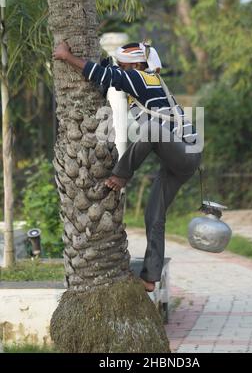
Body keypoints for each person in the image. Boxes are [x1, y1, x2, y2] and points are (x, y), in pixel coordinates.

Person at [53, 41, 201, 292]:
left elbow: (105, 75)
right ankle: (150, 277)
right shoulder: (145, 80)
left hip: (185, 152)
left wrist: (66, 56)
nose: (122, 68)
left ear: (135, 64)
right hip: (179, 160)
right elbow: (109, 76)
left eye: (124, 64)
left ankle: (122, 175)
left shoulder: (141, 78)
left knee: (153, 129)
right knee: (154, 216)